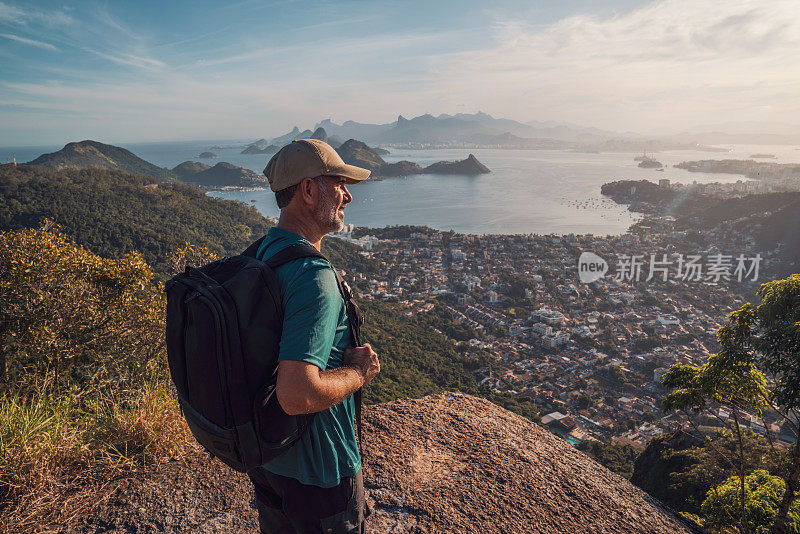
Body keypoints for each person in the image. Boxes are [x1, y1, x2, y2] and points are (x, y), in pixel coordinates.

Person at [248, 139, 381, 534]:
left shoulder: (262, 252)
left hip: (271, 459)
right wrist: (358, 374)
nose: (349, 195)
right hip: (320, 473)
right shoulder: (312, 276)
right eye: (339, 182)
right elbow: (297, 394)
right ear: (308, 190)